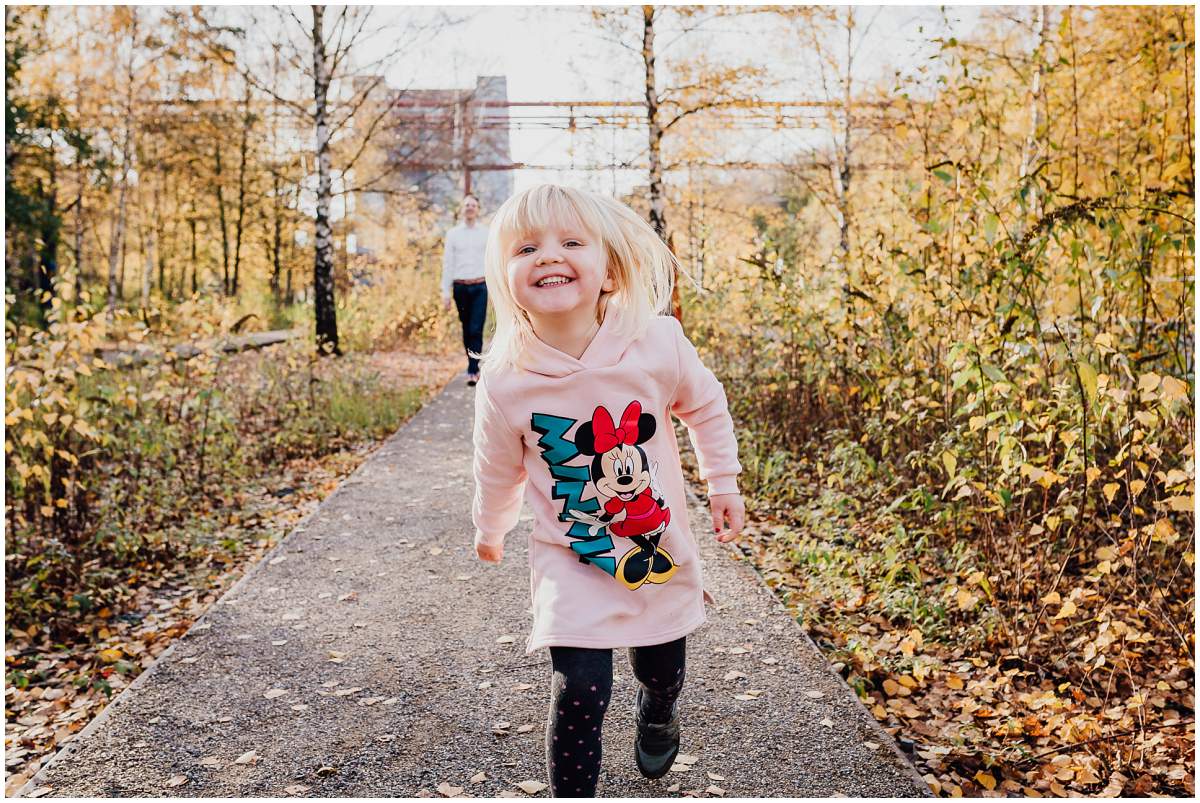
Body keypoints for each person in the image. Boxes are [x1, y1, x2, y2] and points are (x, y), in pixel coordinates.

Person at [470, 184, 745, 797]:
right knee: (581, 692)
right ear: (503, 275)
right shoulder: (506, 378)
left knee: (661, 667)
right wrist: (490, 529)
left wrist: (722, 481)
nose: (547, 256)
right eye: (527, 248)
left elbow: (705, 405)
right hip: (572, 558)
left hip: (656, 547)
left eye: (570, 242)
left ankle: (659, 707)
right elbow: (495, 467)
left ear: (609, 268)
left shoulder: (654, 341)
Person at [442, 193, 490, 386]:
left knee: (476, 329)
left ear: (477, 210)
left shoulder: (486, 233)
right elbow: (447, 263)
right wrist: (445, 291)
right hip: (460, 287)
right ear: (462, 209)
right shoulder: (453, 234)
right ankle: (472, 362)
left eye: (473, 205)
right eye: (467, 205)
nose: (470, 207)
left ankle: (473, 369)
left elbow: (491, 261)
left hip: (480, 286)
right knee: (466, 329)